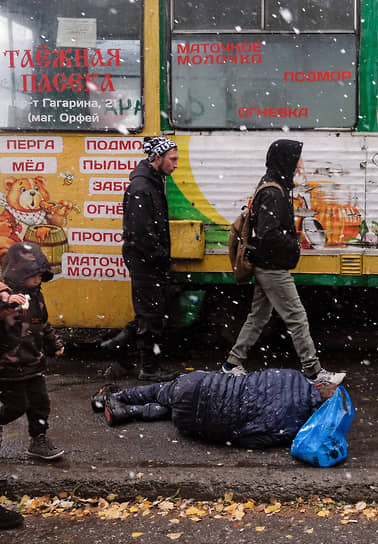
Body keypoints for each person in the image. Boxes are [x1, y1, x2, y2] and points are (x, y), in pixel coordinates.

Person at [220, 139, 345, 387]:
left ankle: (231, 365)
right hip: (272, 267)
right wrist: (293, 244)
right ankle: (313, 373)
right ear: (286, 160)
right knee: (297, 317)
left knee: (258, 317)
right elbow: (268, 233)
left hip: (267, 263)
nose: (300, 164)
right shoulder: (273, 192)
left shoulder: (272, 185)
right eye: (297, 158)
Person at [91, 369, 336, 449]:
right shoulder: (294, 428)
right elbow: (252, 438)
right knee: (175, 411)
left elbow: (255, 378)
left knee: (161, 391)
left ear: (320, 385)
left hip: (200, 387)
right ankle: (130, 411)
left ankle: (113, 396)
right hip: (196, 423)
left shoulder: (293, 376)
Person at [101, 136, 179, 382]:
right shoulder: (142, 188)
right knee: (151, 316)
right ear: (157, 158)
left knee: (150, 314)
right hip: (145, 261)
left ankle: (117, 347)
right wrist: (160, 257)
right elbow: (140, 233)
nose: (176, 165)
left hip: (148, 260)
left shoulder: (151, 182)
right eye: (173, 159)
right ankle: (149, 368)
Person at [0, 242, 65, 461]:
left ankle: (38, 440)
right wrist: (7, 302)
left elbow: (42, 324)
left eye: (40, 275)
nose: (38, 279)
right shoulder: (5, 294)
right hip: (9, 366)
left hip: (34, 363)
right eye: (33, 275)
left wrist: (53, 343)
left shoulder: (36, 295)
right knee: (16, 406)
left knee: (40, 404)